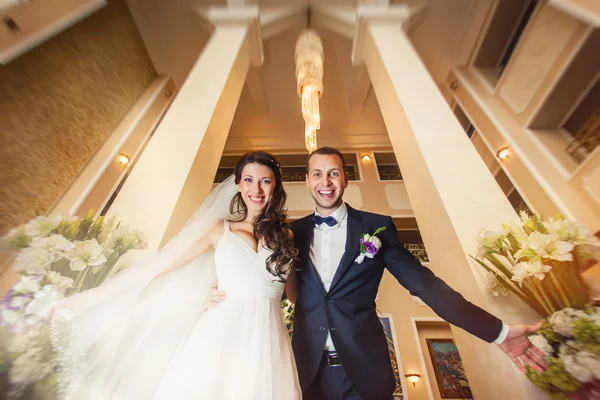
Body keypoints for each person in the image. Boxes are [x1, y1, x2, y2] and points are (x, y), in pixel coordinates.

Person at [209, 147, 547, 400]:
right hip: (303, 372)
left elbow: (426, 286)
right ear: (307, 180)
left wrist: (497, 332)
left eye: (334, 173)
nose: (325, 182)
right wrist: (215, 289)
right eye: (317, 174)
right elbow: (264, 279)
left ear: (346, 178)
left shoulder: (377, 227)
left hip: (365, 372)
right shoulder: (288, 234)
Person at [50, 151, 302, 399]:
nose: (256, 189)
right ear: (238, 184)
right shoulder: (217, 229)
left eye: (265, 181)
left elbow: (295, 296)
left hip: (268, 345)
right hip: (219, 336)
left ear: (275, 186)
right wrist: (83, 299)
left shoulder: (286, 237)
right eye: (248, 179)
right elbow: (157, 269)